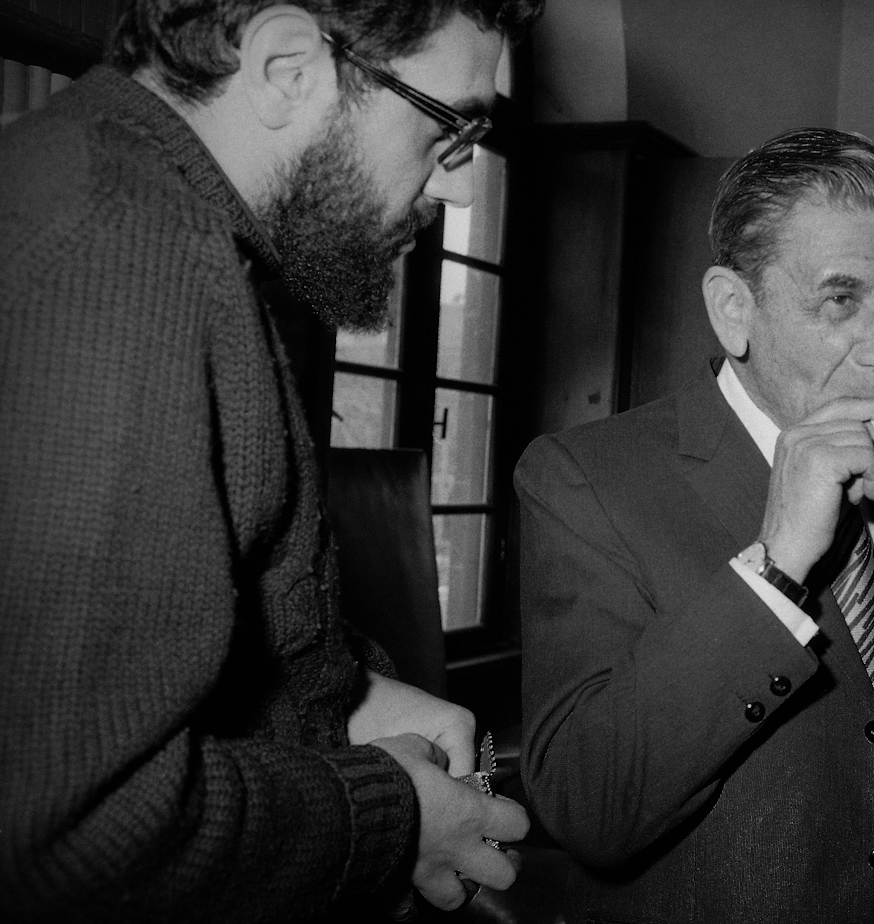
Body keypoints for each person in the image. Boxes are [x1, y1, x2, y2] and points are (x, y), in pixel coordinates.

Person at [0, 1, 542, 920]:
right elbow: (68, 837)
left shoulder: (137, 208)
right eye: (450, 126)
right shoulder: (120, 253)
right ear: (289, 67)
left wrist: (345, 696)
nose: (457, 189)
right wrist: (392, 815)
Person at [515, 128, 874, 924]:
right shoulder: (586, 480)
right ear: (735, 311)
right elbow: (590, 806)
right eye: (842, 299)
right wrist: (778, 561)